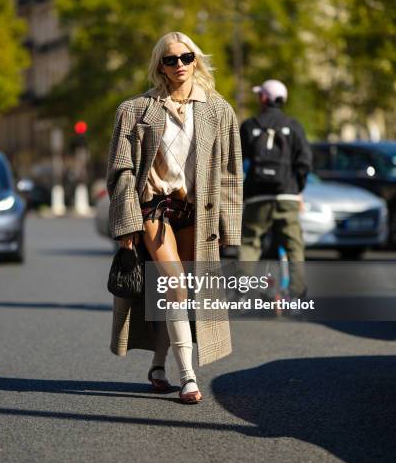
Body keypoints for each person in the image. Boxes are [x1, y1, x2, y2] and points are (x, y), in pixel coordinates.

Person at [106, 31, 243, 403]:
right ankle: (189, 377)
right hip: (154, 208)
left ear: (196, 60)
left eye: (186, 57)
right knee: (175, 285)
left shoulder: (218, 109)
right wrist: (126, 226)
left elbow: (231, 172)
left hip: (196, 210)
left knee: (179, 292)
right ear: (159, 66)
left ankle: (158, 364)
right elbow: (121, 171)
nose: (179, 65)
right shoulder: (134, 110)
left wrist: (231, 230)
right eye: (170, 60)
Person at [239, 79, 312, 298]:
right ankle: (297, 292)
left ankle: (242, 293)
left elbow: (234, 161)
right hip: (286, 194)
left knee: (250, 242)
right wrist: (296, 188)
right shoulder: (294, 125)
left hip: (256, 196)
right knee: (293, 246)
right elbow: (305, 161)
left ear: (263, 98)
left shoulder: (250, 126)